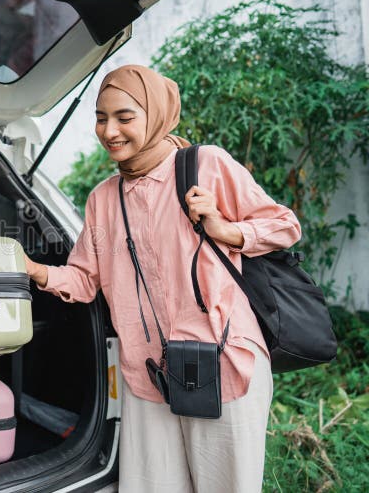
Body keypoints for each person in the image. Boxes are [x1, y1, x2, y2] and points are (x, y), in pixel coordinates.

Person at [24, 65, 301, 493]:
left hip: (223, 360)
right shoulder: (103, 198)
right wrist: (29, 268)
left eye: (124, 117)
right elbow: (83, 279)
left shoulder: (205, 165)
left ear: (154, 113)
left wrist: (226, 230)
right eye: (101, 118)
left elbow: (284, 225)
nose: (109, 130)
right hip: (148, 371)